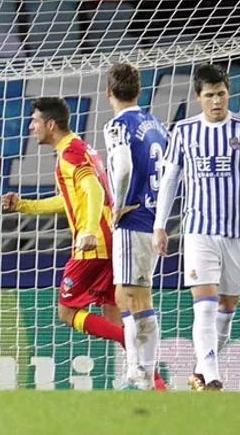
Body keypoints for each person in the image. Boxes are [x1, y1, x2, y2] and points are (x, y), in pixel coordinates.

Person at [153, 63, 240, 391]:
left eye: (221, 94)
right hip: (198, 230)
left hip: (238, 232)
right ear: (198, 97)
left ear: (229, 93)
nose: (216, 101)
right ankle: (212, 376)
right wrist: (160, 225)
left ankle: (200, 368)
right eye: (209, 95)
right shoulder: (183, 131)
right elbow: (169, 179)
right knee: (205, 305)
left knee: (227, 306)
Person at [2, 97, 126, 352]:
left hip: (94, 243)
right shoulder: (80, 148)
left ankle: (132, 344)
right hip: (110, 238)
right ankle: (149, 380)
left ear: (50, 124)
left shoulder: (71, 154)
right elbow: (69, 200)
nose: (30, 127)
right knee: (113, 314)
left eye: (34, 121)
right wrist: (24, 205)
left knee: (67, 312)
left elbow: (94, 191)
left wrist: (89, 231)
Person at [102, 63, 168, 390]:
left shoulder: (118, 124)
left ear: (109, 92)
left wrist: (119, 204)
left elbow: (124, 165)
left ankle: (141, 374)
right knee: (123, 295)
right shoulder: (156, 124)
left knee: (137, 298)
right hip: (153, 218)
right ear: (139, 91)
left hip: (133, 219)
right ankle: (137, 369)